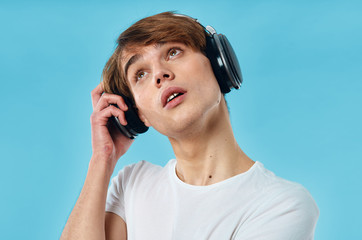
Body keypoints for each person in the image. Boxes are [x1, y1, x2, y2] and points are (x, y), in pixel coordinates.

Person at [61, 12, 319, 240]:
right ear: (139, 116)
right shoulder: (131, 185)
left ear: (220, 66)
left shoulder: (283, 204)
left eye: (173, 52)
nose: (160, 74)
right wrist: (102, 159)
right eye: (140, 74)